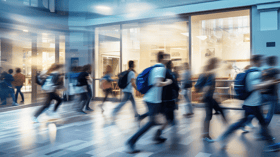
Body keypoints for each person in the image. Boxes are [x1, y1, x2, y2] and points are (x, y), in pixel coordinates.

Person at [216, 55, 280, 152]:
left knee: (245, 122)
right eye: (260, 60)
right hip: (253, 105)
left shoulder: (252, 72)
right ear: (256, 61)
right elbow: (256, 86)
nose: (262, 62)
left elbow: (258, 87)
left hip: (251, 104)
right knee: (261, 123)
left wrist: (267, 84)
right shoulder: (254, 73)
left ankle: (224, 136)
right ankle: (270, 144)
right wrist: (272, 82)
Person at [126, 51, 173, 153]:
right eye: (166, 58)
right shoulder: (161, 69)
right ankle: (131, 141)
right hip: (153, 100)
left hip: (151, 98)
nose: (167, 60)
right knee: (152, 122)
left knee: (161, 118)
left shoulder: (154, 68)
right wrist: (168, 82)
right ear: (163, 59)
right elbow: (158, 83)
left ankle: (156, 134)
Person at [196, 58, 227, 142]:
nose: (218, 65)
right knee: (209, 115)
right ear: (214, 64)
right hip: (208, 97)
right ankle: (206, 135)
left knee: (215, 112)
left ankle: (206, 135)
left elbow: (199, 85)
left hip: (209, 97)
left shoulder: (205, 71)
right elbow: (208, 86)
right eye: (217, 63)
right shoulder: (211, 73)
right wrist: (203, 95)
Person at [154, 60, 180, 142]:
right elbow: (174, 85)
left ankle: (159, 132)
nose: (173, 65)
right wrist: (178, 90)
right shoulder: (170, 73)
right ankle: (158, 133)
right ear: (170, 65)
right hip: (169, 98)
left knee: (168, 117)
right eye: (172, 64)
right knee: (169, 118)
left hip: (163, 98)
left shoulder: (162, 72)